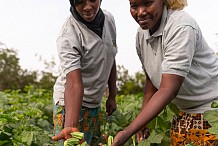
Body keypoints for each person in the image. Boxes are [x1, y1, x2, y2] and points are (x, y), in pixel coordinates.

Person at [111, 0, 218, 145]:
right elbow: (151, 80)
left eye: (148, 3)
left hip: (211, 109)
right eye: (134, 6)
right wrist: (142, 121)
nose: (141, 12)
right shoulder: (141, 35)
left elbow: (168, 89)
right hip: (184, 112)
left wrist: (127, 132)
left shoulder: (181, 25)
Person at [52, 0, 118, 145]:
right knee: (73, 142)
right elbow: (74, 82)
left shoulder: (109, 20)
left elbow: (110, 57)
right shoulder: (68, 35)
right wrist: (70, 126)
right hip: (69, 105)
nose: (87, 7)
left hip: (94, 103)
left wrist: (112, 96)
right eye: (80, 2)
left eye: (93, 0)